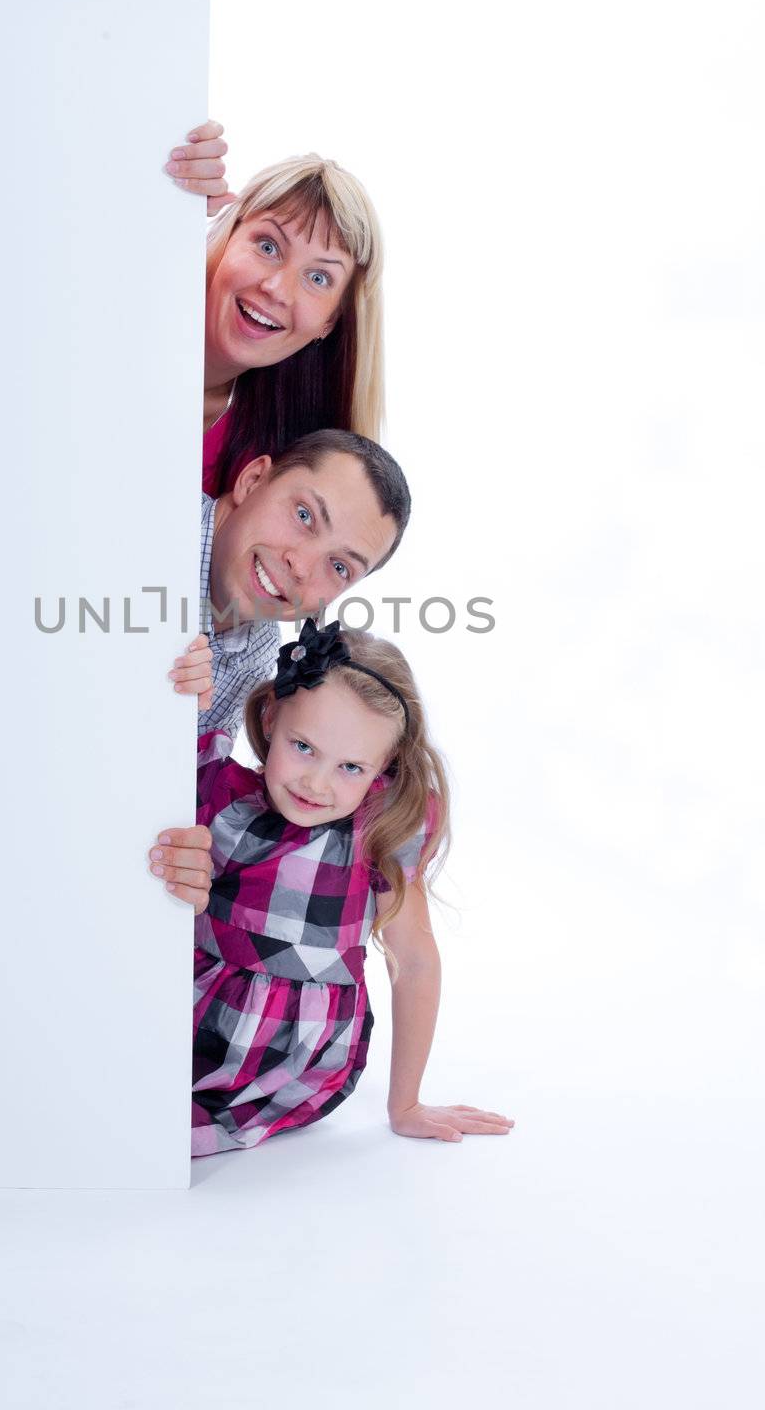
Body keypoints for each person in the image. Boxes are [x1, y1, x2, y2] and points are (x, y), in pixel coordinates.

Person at [148, 617, 514, 1156]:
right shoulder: (219, 795)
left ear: (382, 765)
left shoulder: (379, 831)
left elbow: (414, 961)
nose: (316, 783)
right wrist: (182, 693)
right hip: (182, 1025)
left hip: (291, 1065)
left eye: (350, 766)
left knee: (155, 1143)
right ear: (271, 718)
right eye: (303, 746)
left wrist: (405, 1105)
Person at [164, 122, 386, 497]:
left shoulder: (266, 468)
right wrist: (154, 185)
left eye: (317, 278)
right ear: (228, 233)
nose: (276, 289)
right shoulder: (132, 304)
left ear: (330, 322)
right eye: (268, 247)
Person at [170, 427, 412, 743]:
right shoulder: (155, 519)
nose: (299, 566)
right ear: (253, 480)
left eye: (339, 567)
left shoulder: (259, 656)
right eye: (304, 515)